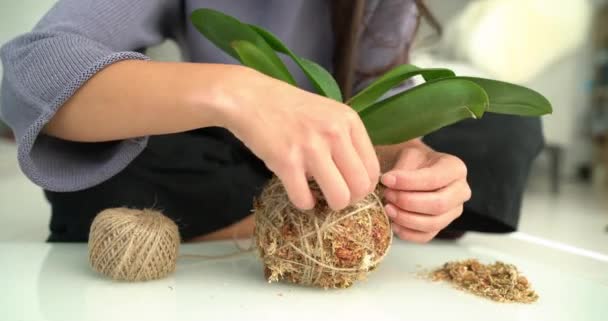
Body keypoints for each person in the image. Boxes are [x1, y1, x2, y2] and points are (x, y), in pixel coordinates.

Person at [0, 0, 543, 243]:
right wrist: (238, 94)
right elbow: (29, 68)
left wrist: (411, 162)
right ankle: (314, 212)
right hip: (229, 140)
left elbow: (384, 101)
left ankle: (289, 210)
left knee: (502, 130)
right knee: (87, 162)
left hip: (337, 145)